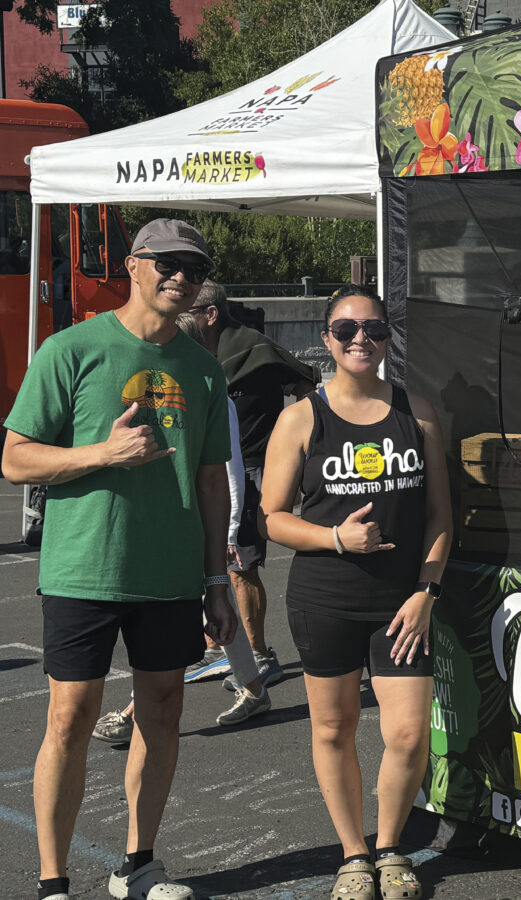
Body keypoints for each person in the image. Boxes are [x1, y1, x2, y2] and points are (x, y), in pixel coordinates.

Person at [2, 218, 238, 900]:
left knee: (161, 711)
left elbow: (210, 479)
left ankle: (137, 865)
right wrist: (100, 453)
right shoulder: (71, 348)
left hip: (168, 572)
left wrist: (217, 579)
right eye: (166, 262)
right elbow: (16, 458)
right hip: (83, 566)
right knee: (71, 717)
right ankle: (52, 882)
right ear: (132, 266)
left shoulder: (201, 368)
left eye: (193, 268)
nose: (181, 277)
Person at [260, 286, 452, 900]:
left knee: (407, 734)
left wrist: (427, 589)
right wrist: (336, 538)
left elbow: (441, 516)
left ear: (389, 337)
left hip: (403, 604)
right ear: (327, 340)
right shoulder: (301, 418)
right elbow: (271, 517)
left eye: (373, 328)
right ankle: (353, 854)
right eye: (345, 330)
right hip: (325, 598)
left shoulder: (416, 411)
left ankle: (391, 846)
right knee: (333, 730)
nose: (360, 339)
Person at [91, 308, 273, 741]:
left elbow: (226, 473)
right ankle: (253, 688)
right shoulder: (163, 395)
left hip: (197, 526)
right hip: (175, 523)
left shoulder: (214, 394)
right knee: (220, 616)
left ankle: (134, 712)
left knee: (183, 619)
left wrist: (227, 533)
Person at [183, 280, 316, 692]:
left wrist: (293, 443)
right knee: (210, 562)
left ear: (211, 314)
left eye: (192, 306)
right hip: (207, 469)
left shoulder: (256, 348)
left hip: (252, 471)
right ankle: (215, 649)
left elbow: (307, 385)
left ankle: (259, 653)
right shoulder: (192, 355)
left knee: (241, 566)